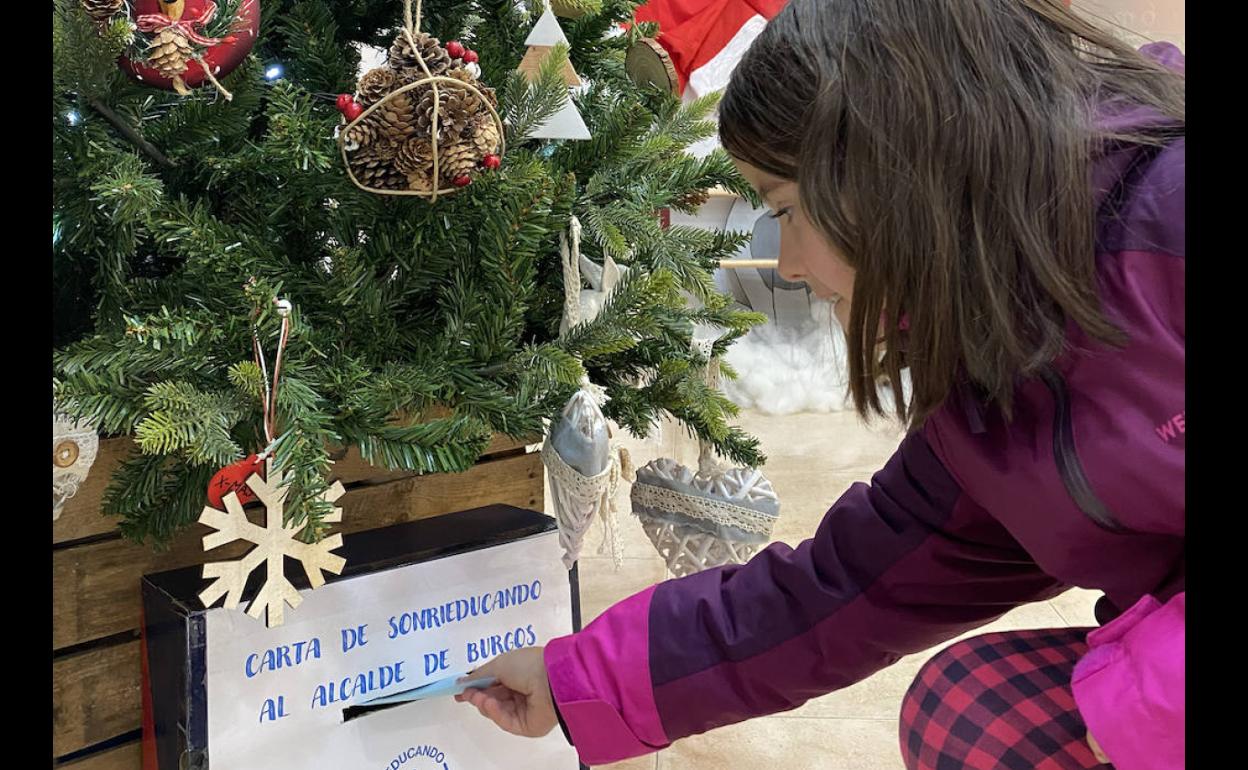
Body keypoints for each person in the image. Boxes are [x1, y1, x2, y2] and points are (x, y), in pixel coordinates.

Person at [456, 1, 1185, 768]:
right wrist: (576, 680)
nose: (791, 266)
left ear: (894, 169)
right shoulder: (991, 388)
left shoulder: (1169, 221)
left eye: (787, 210)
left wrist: (1155, 699)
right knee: (970, 719)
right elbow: (849, 587)